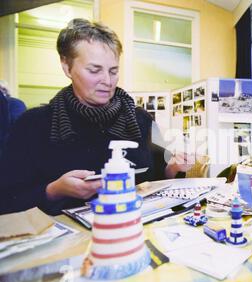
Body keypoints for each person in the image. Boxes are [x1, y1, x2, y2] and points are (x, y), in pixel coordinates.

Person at [0, 19, 191, 215]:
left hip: (136, 232)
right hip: (70, 243)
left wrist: (173, 168)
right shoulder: (33, 125)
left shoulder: (141, 120)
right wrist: (54, 190)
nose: (107, 81)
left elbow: (158, 179)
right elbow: (6, 199)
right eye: (94, 70)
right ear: (67, 67)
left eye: (113, 71)